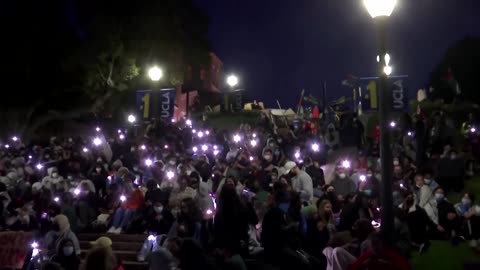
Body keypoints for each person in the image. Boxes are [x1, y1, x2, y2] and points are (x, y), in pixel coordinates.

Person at [347, 232, 412, 270]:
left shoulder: (388, 254)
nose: (374, 247)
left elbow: (407, 267)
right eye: (372, 244)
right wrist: (364, 264)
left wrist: (388, 264)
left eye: (376, 243)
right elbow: (351, 268)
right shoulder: (369, 255)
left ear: (381, 243)